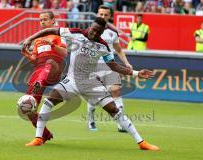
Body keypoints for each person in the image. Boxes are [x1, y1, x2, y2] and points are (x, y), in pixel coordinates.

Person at [22, 17, 159, 151]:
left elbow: (114, 66)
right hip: (72, 81)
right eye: (92, 29)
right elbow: (51, 30)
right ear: (90, 26)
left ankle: (141, 142)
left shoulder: (103, 45)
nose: (93, 33)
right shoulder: (76, 33)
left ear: (101, 33)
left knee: (114, 110)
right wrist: (30, 38)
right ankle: (38, 138)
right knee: (48, 102)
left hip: (91, 84)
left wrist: (136, 73)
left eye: (97, 32)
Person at [20, 11, 67, 144]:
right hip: (39, 69)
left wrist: (52, 44)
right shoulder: (37, 39)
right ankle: (45, 134)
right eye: (40, 20)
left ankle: (39, 84)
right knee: (26, 105)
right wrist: (27, 54)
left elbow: (64, 53)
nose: (42, 22)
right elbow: (36, 60)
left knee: (45, 71)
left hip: (52, 67)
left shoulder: (58, 35)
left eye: (45, 19)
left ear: (53, 21)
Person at [87, 5, 132, 132]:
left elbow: (118, 49)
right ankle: (91, 120)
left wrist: (126, 62)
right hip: (94, 68)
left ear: (110, 16)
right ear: (97, 14)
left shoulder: (113, 32)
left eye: (105, 15)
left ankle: (121, 124)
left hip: (110, 66)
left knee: (116, 92)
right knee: (94, 99)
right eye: (101, 14)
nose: (103, 17)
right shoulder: (90, 30)